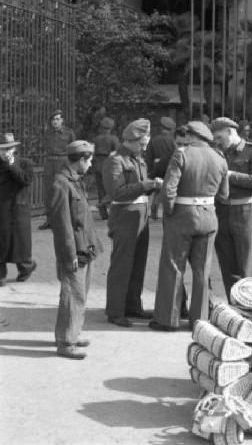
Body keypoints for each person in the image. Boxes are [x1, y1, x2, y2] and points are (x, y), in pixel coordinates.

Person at [149, 121, 229, 332]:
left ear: (191, 136)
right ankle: (199, 320)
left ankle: (168, 319)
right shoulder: (219, 157)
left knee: (174, 266)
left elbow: (168, 190)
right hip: (209, 217)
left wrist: (168, 212)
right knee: (203, 270)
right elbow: (224, 195)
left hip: (182, 217)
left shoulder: (182, 154)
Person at [103, 118, 159, 327]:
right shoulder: (115, 160)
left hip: (140, 216)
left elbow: (140, 187)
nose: (144, 148)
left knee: (138, 263)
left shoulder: (138, 159)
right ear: (131, 140)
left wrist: (152, 186)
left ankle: (133, 305)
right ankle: (115, 311)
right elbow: (117, 193)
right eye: (142, 144)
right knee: (122, 264)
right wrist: (144, 185)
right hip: (125, 216)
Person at [49, 140, 102, 360]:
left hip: (85, 247)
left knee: (80, 293)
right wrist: (68, 255)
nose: (90, 165)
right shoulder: (61, 184)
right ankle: (65, 342)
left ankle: (73, 332)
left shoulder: (74, 180)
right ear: (81, 160)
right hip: (74, 251)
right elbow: (62, 226)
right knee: (72, 295)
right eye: (89, 161)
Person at [210, 117, 252, 301]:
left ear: (230, 131)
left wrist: (232, 175)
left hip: (244, 212)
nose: (217, 141)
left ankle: (251, 309)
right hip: (222, 212)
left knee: (247, 265)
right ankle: (235, 306)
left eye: (220, 137)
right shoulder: (219, 153)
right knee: (227, 265)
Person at [0, 133, 37, 287]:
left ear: (14, 148)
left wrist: (11, 165)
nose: (5, 152)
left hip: (18, 208)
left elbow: (25, 180)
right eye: (2, 149)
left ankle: (26, 268)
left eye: (8, 149)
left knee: (20, 243)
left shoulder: (25, 163)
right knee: (1, 241)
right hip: (1, 208)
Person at [39, 110, 75, 230]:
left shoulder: (69, 133)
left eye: (57, 119)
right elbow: (44, 146)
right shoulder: (47, 133)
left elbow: (73, 149)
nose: (55, 122)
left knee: (64, 189)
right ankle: (49, 219)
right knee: (49, 190)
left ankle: (66, 218)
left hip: (63, 162)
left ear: (62, 120)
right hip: (49, 162)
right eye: (53, 119)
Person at [146, 116, 176, 220]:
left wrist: (150, 170)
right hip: (170, 166)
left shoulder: (154, 140)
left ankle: (154, 211)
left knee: (157, 189)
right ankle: (168, 211)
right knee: (169, 188)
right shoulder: (173, 141)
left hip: (157, 167)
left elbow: (149, 156)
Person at [93, 117, 119, 219]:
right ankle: (113, 210)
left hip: (98, 164)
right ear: (111, 128)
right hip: (109, 164)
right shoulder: (114, 139)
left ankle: (103, 213)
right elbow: (118, 152)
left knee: (100, 189)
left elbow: (93, 152)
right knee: (112, 188)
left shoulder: (96, 139)